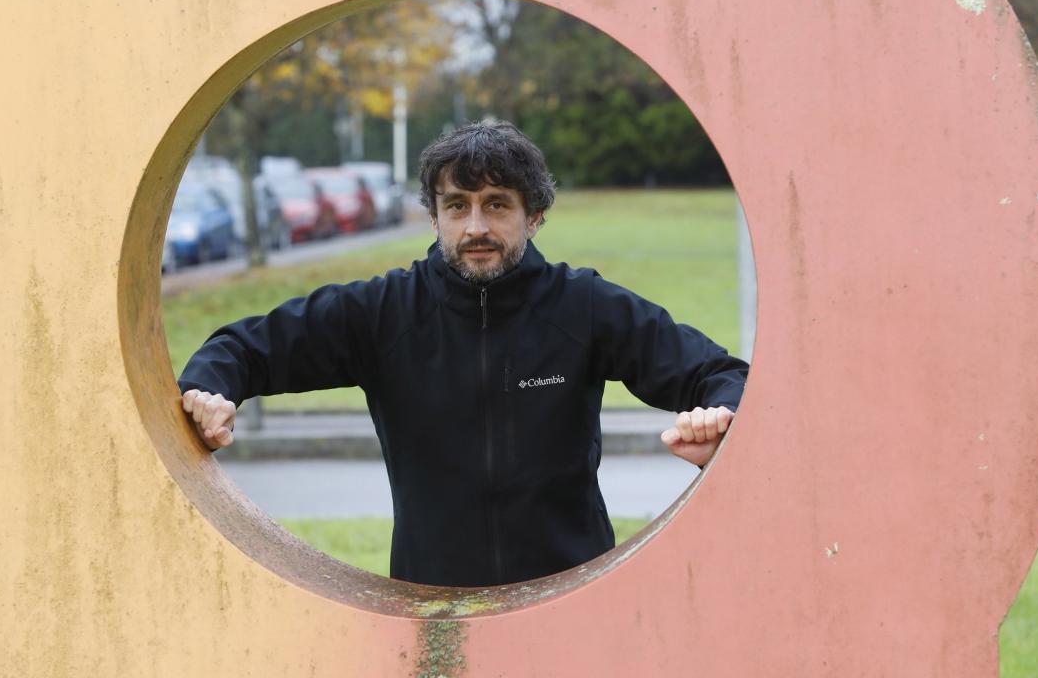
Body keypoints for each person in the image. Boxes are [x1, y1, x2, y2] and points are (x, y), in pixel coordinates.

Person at [178, 120, 747, 588]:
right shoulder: (383, 312)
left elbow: (722, 375)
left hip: (572, 596)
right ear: (434, 216)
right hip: (432, 607)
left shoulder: (583, 307)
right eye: (457, 206)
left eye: (497, 204)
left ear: (535, 214)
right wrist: (210, 390)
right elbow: (242, 348)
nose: (476, 226)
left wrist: (716, 417)